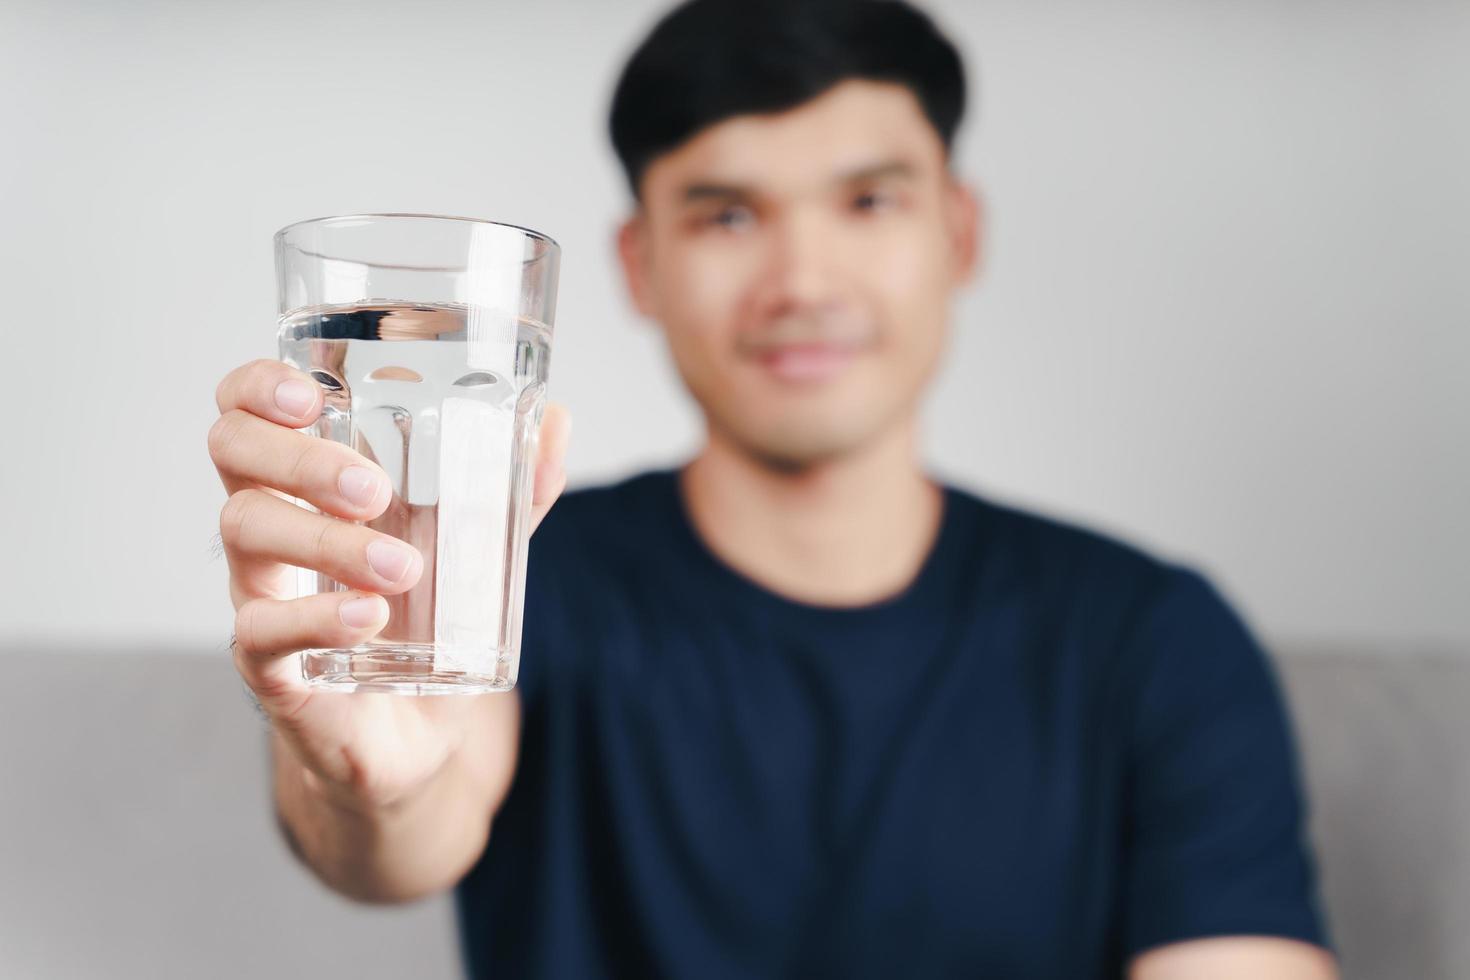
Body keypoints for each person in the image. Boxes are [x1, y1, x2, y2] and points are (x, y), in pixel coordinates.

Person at [207, 0, 1339, 976]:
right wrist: (367, 771)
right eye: (728, 215)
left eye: (867, 201)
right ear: (641, 266)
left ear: (960, 232)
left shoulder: (1155, 639)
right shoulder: (519, 574)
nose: (801, 282)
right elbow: (409, 825)